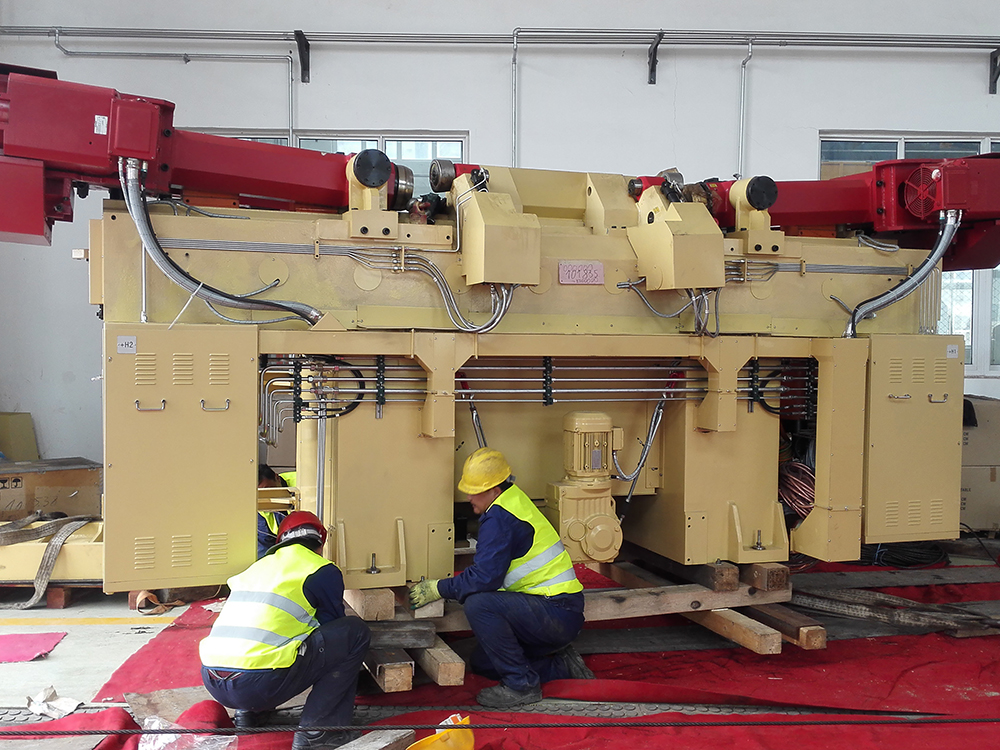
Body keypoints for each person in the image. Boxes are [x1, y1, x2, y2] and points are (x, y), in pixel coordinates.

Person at [409, 447, 593, 709]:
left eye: (475, 490)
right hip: (554, 610)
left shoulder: (500, 518)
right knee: (484, 663)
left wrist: (439, 588)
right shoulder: (511, 499)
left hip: (556, 612)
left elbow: (485, 578)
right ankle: (561, 667)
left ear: (495, 489)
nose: (469, 496)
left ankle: (522, 686)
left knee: (479, 604)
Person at [200, 511, 371, 750]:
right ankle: (319, 732)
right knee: (354, 633)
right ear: (320, 543)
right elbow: (331, 626)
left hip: (213, 679)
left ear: (280, 541)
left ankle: (248, 715)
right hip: (258, 684)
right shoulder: (320, 568)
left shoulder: (257, 567)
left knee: (264, 638)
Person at [256, 465, 294, 558]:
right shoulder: (259, 505)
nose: (265, 496)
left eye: (267, 489)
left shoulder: (302, 481)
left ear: (277, 478)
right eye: (260, 493)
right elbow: (264, 549)